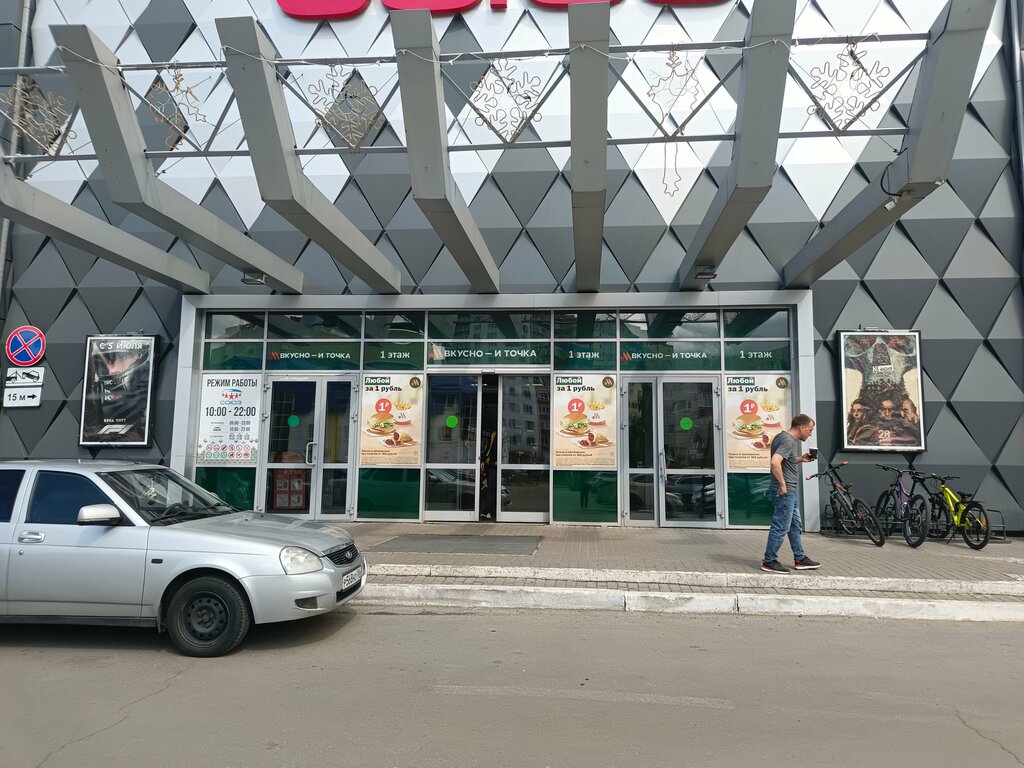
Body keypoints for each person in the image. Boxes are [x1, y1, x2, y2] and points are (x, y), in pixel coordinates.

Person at [761, 414, 820, 574]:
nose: (810, 434)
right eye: (810, 430)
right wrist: (783, 484)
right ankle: (769, 561)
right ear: (801, 427)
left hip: (789, 491)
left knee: (794, 526)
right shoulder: (788, 440)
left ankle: (800, 558)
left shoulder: (782, 437)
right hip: (784, 492)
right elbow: (775, 462)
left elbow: (785, 460)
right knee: (781, 526)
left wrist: (801, 459)